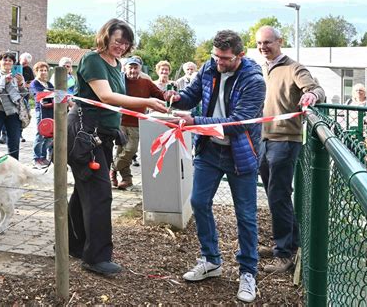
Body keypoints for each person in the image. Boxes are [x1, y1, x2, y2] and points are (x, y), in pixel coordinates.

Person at [166, 30, 265, 303]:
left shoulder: (254, 81)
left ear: (240, 56)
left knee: (245, 214)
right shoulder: (210, 66)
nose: (218, 62)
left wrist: (193, 120)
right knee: (198, 201)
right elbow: (190, 95)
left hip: (241, 154)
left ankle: (248, 272)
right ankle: (211, 260)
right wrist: (172, 97)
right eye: (216, 56)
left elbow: (238, 122)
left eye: (225, 58)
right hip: (209, 150)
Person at [67, 18, 167, 275]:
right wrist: (145, 102)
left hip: (104, 134)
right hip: (85, 132)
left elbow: (115, 103)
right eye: (117, 40)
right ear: (105, 37)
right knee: (100, 193)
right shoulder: (92, 59)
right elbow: (107, 97)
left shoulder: (117, 64)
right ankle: (96, 257)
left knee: (84, 191)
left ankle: (73, 244)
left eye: (126, 42)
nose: (121, 46)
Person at [255, 26, 325, 273]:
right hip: (264, 139)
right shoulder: (263, 68)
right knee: (275, 195)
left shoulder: (294, 68)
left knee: (278, 195)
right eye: (259, 43)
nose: (263, 47)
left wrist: (311, 97)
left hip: (285, 140)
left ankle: (284, 255)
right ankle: (286, 245)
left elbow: (317, 90)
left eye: (267, 42)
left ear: (279, 41)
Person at [110, 56, 164, 189]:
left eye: (136, 68)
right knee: (120, 149)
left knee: (130, 150)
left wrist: (169, 94)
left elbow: (160, 94)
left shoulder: (146, 83)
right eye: (130, 67)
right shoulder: (119, 80)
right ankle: (126, 179)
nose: (133, 70)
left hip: (136, 123)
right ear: (125, 68)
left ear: (140, 69)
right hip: (120, 121)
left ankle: (112, 169)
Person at [0, 52, 27, 160]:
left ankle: (14, 166)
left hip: (13, 111)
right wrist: (3, 81)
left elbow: (23, 94)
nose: (7, 62)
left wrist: (21, 84)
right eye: (5, 60)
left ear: (13, 63)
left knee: (14, 142)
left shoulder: (16, 76)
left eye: (10, 60)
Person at [30, 61, 54, 168]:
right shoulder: (34, 83)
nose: (43, 72)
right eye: (41, 70)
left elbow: (55, 93)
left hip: (51, 110)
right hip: (41, 110)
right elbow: (40, 95)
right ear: (36, 72)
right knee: (40, 134)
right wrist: (49, 93)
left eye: (45, 70)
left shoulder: (49, 84)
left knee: (49, 135)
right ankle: (36, 158)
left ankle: (43, 157)